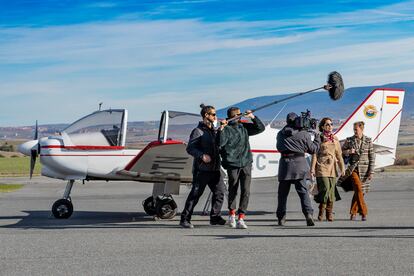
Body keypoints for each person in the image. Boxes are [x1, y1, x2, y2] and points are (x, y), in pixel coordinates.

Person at [179, 104, 226, 229]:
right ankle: (185, 219)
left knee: (220, 192)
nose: (216, 117)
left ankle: (215, 217)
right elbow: (190, 148)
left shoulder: (214, 131)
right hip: (202, 170)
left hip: (215, 169)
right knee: (195, 195)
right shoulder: (197, 131)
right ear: (206, 115)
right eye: (214, 114)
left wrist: (221, 131)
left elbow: (219, 144)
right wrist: (202, 156)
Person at [218, 107, 265, 229]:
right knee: (233, 188)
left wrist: (253, 117)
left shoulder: (244, 127)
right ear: (235, 116)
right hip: (232, 164)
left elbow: (260, 128)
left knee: (246, 191)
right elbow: (220, 143)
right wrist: (221, 129)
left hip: (246, 163)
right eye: (239, 115)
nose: (241, 116)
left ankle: (241, 217)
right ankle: (232, 215)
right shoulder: (226, 128)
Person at [276, 112, 320, 226]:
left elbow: (279, 147)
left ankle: (281, 217)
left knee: (282, 195)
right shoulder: (304, 134)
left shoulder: (280, 134)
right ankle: (308, 215)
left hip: (285, 166)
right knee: (303, 193)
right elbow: (313, 149)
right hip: (300, 166)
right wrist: (317, 137)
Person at [310, 117, 345, 222]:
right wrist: (312, 169)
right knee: (325, 189)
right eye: (327, 124)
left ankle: (329, 213)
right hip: (322, 167)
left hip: (332, 168)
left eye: (331, 124)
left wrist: (342, 168)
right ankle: (321, 210)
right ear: (322, 127)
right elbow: (315, 155)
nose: (330, 126)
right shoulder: (319, 138)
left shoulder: (335, 139)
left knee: (331, 191)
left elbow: (339, 155)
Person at [342, 121, 375, 221]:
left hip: (365, 170)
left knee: (360, 192)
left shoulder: (368, 141)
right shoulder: (349, 140)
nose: (354, 131)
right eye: (354, 129)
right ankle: (364, 212)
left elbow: (372, 157)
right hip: (353, 169)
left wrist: (371, 171)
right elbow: (342, 152)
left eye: (356, 129)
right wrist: (348, 151)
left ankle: (353, 213)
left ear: (362, 129)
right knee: (358, 188)